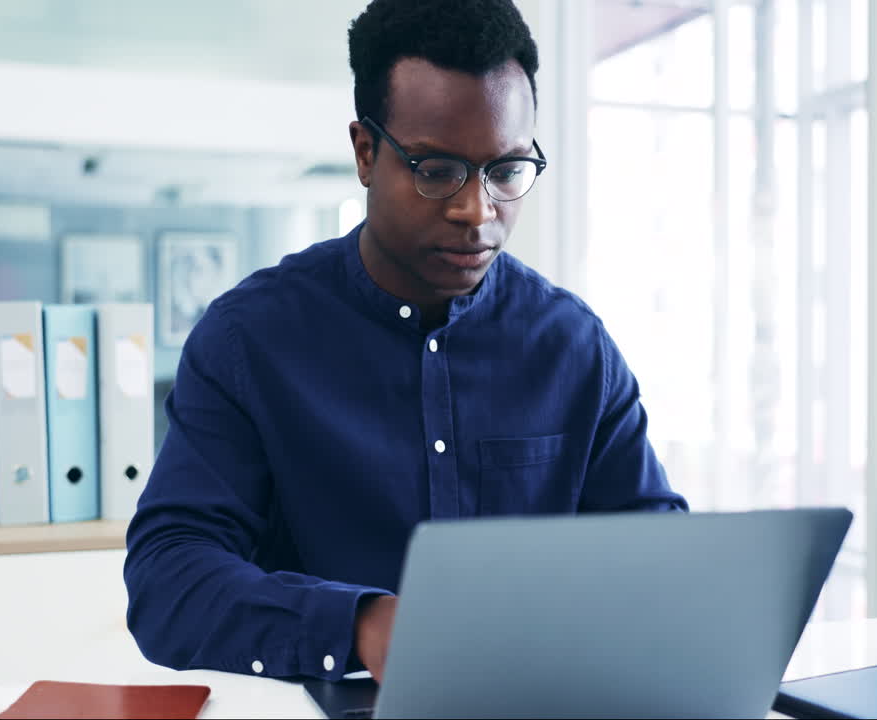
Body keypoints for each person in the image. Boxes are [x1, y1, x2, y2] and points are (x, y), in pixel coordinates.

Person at [124, 0, 687, 685]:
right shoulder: (249, 339)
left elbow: (659, 557)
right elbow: (169, 576)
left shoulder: (574, 348)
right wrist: (357, 624)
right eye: (437, 170)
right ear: (366, 153)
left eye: (506, 171)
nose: (477, 212)